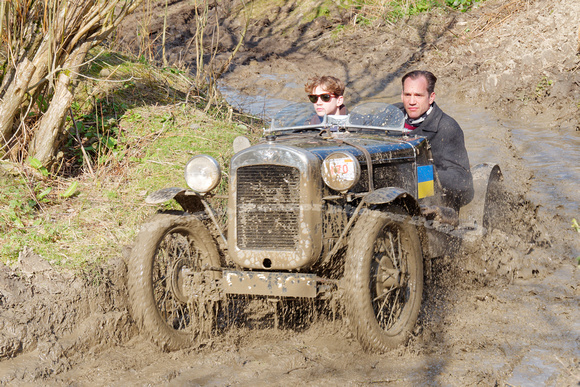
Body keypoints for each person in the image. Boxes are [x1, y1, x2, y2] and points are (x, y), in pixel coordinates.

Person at [395, 70, 474, 211]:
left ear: (431, 97)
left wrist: (422, 174)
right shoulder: (390, 115)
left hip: (430, 201)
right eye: (407, 95)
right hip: (389, 190)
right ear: (402, 95)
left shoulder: (447, 128)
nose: (411, 101)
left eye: (418, 95)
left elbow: (464, 182)